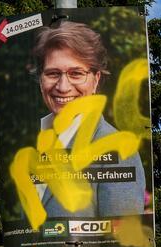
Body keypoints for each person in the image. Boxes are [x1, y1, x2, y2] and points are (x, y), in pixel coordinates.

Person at [28, 20, 146, 220]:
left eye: (76, 74)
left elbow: (123, 236)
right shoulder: (33, 144)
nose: (63, 87)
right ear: (41, 79)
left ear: (96, 79)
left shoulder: (117, 151)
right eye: (53, 73)